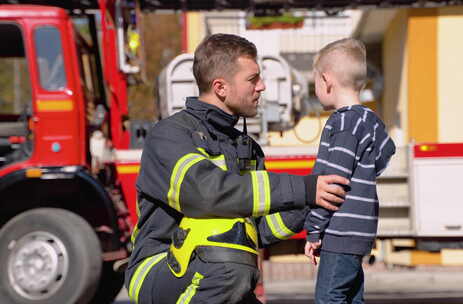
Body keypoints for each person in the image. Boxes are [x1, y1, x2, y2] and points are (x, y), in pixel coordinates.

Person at [124, 33, 350, 304]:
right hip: (159, 270)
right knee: (226, 247)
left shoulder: (246, 147)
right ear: (221, 87)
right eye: (253, 79)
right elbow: (206, 195)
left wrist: (312, 205)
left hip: (216, 269)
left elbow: (259, 229)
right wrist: (303, 187)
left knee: (230, 249)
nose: (263, 86)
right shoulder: (170, 136)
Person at [304, 38, 396, 304]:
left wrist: (314, 230)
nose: (316, 90)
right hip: (361, 229)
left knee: (328, 297)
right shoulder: (370, 120)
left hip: (340, 230)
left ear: (326, 80)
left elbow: (333, 182)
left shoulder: (343, 123)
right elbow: (386, 152)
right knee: (352, 297)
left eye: (315, 84)